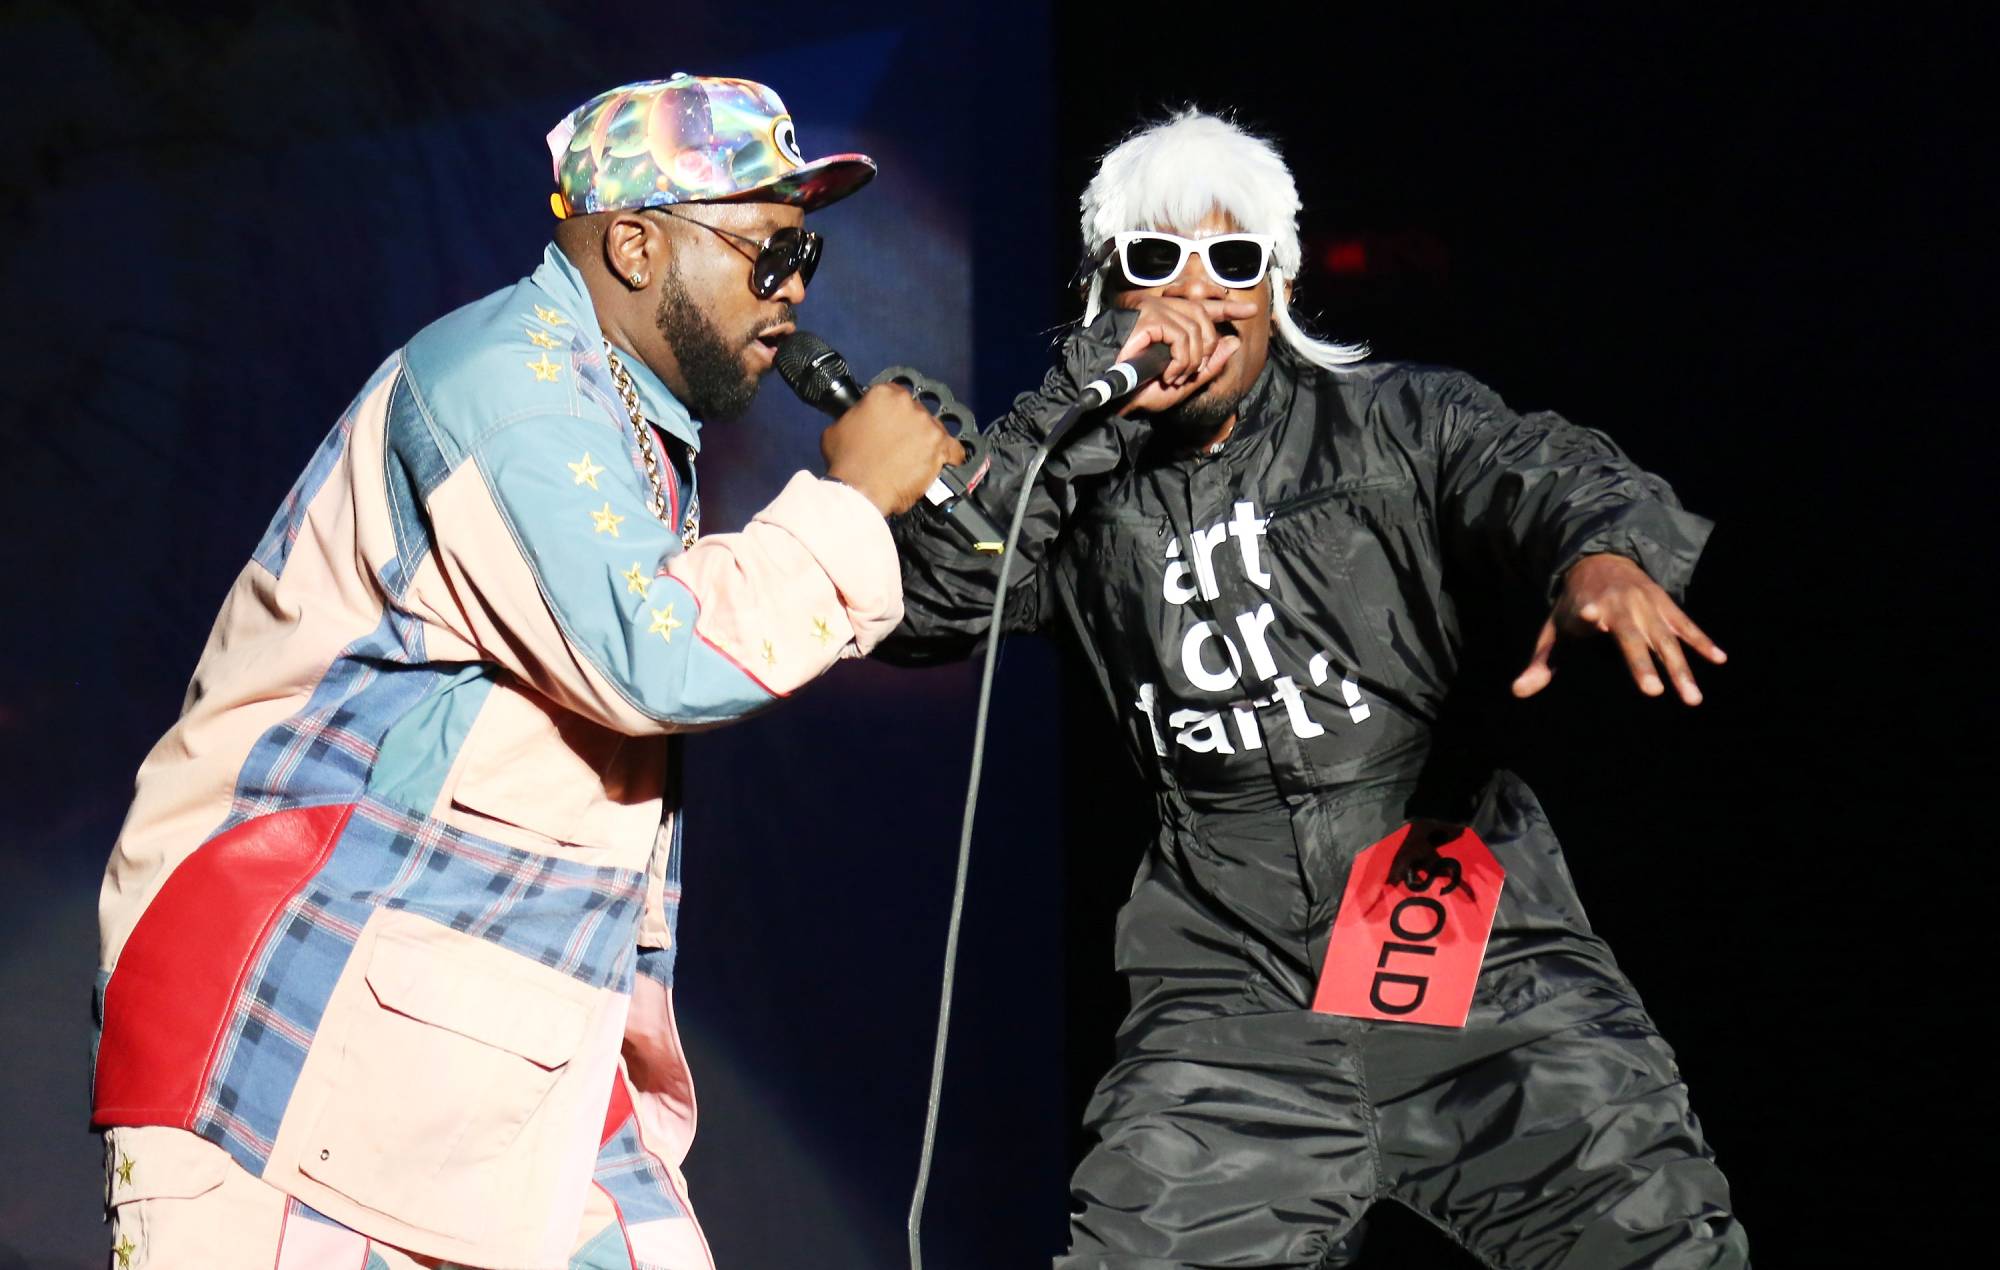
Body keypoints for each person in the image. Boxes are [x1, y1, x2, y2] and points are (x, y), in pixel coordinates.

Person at [91, 74, 957, 1270]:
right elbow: (656, 655)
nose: (798, 286)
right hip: (293, 1040)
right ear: (639, 243)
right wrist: (854, 506)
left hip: (484, 1051)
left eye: (804, 249)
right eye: (767, 250)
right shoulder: (508, 382)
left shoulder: (615, 418)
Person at [883, 110, 1749, 1268]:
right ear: (1106, 288)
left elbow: (1540, 466)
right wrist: (1072, 409)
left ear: (1276, 285)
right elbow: (930, 602)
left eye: (1233, 260)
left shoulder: (1395, 422)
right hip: (1229, 995)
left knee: (1653, 1240)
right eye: (1156, 259)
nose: (1198, 291)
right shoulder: (1072, 481)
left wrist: (1599, 553)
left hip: (1459, 940)